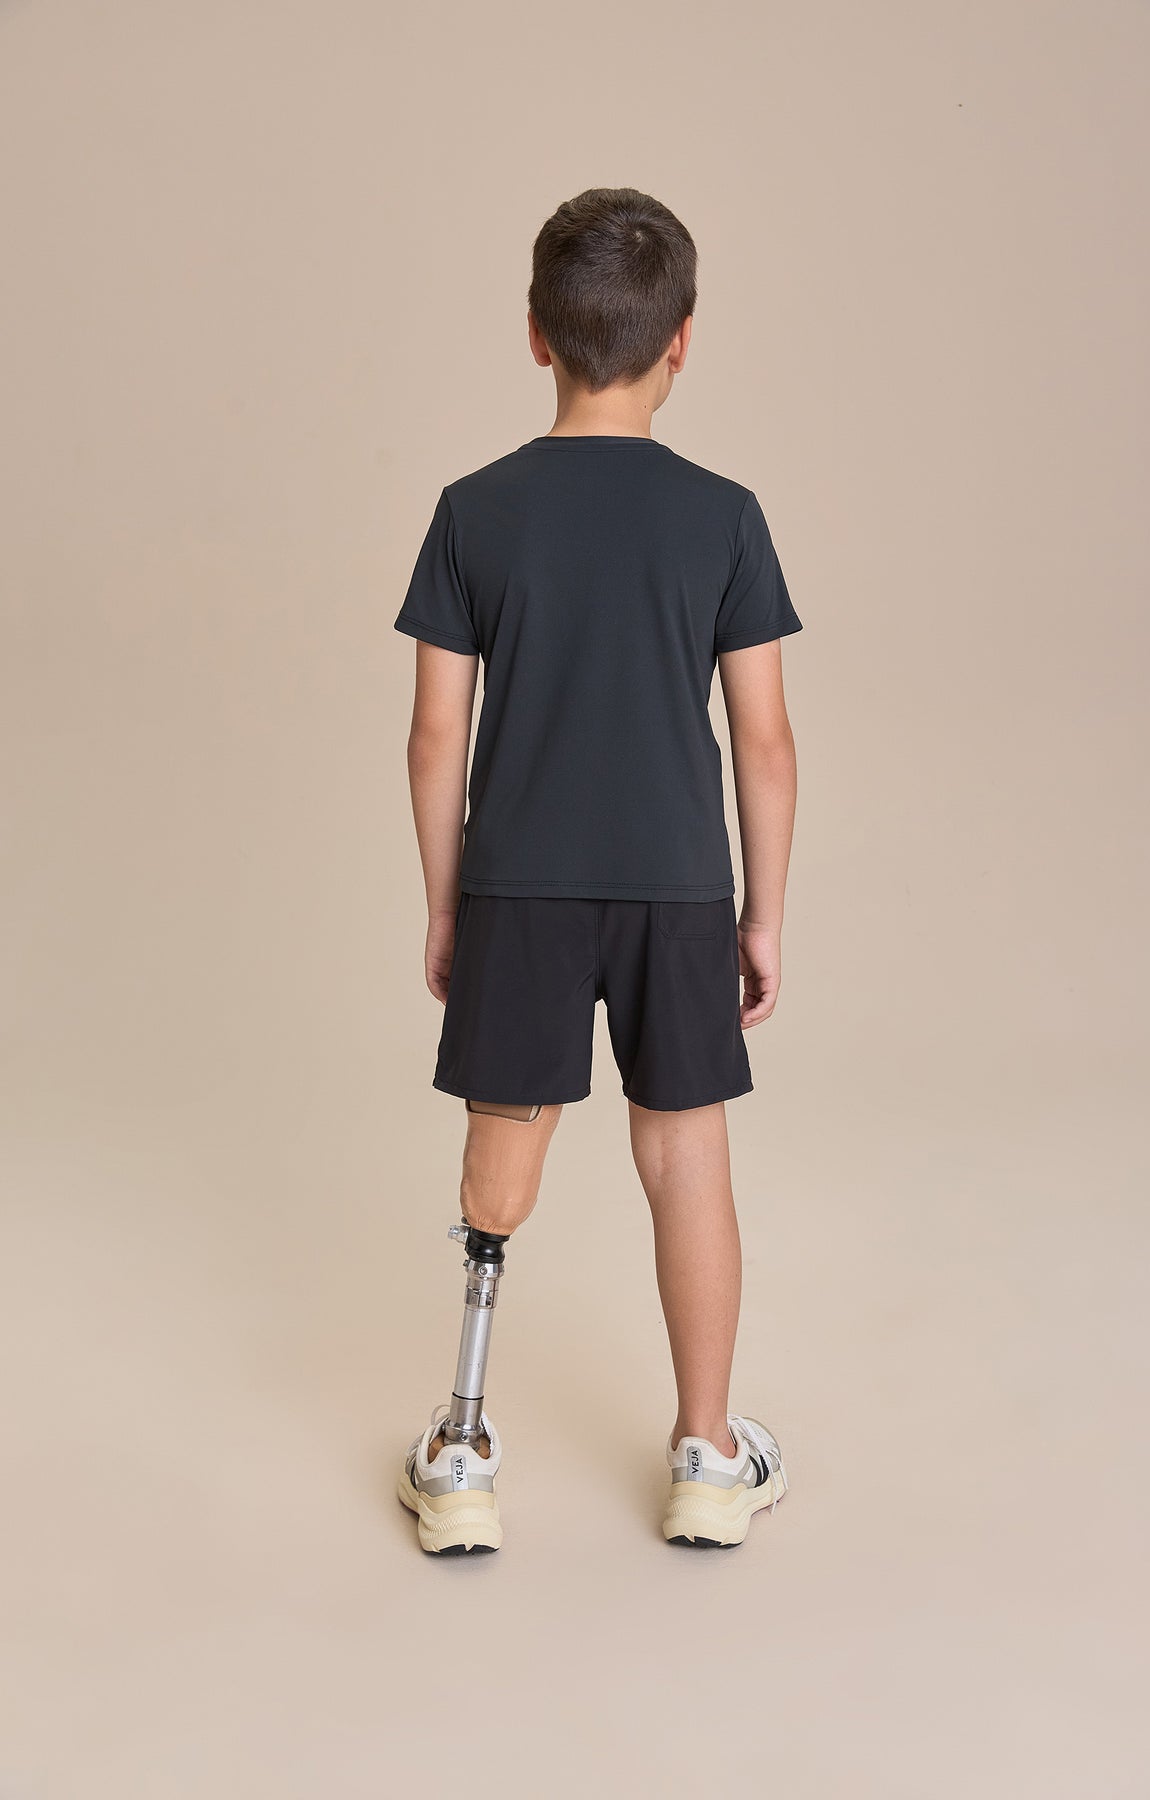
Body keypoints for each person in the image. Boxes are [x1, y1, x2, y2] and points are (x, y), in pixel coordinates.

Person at [393, 187, 802, 1554]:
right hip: (679, 884)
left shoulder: (474, 511)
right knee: (685, 1155)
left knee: (502, 1148)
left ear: (535, 335)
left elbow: (435, 734)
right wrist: (762, 916)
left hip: (517, 878)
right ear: (682, 340)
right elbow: (765, 738)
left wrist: (446, 902)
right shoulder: (724, 516)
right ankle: (708, 1454)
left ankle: (461, 1451)